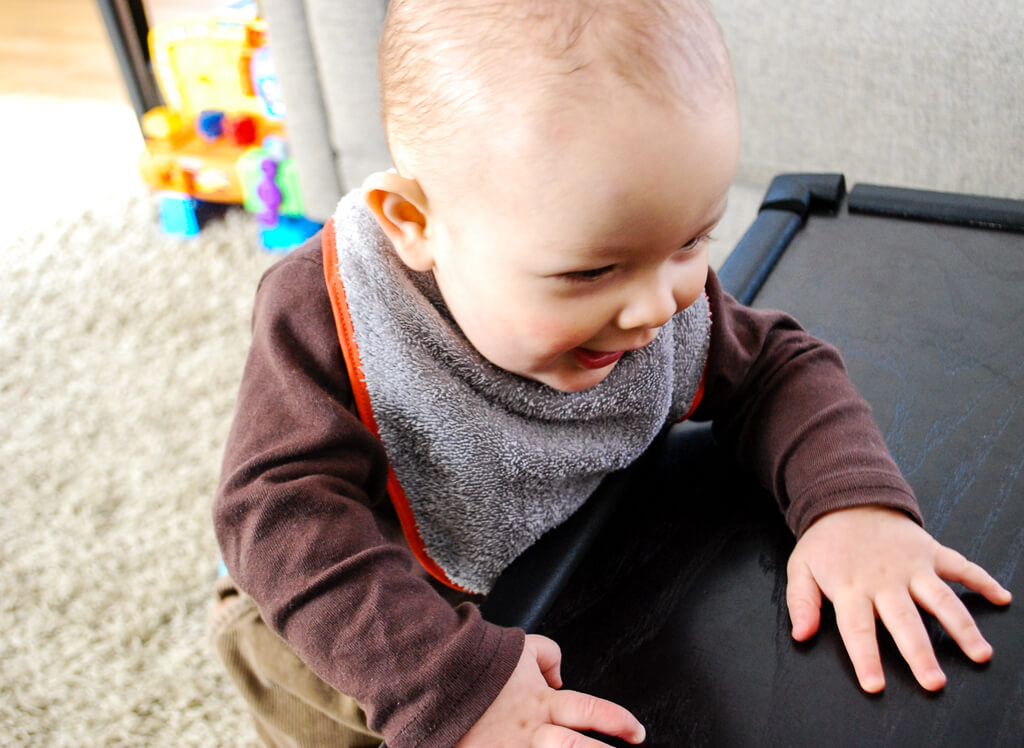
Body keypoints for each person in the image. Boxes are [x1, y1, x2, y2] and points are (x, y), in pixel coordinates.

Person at [209, 1, 1012, 746]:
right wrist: (451, 694)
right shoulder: (337, 316)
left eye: (692, 241)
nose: (654, 307)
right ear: (418, 227)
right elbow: (274, 513)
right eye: (590, 273)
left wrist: (854, 506)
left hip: (557, 555)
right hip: (357, 610)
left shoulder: (645, 278)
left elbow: (775, 366)